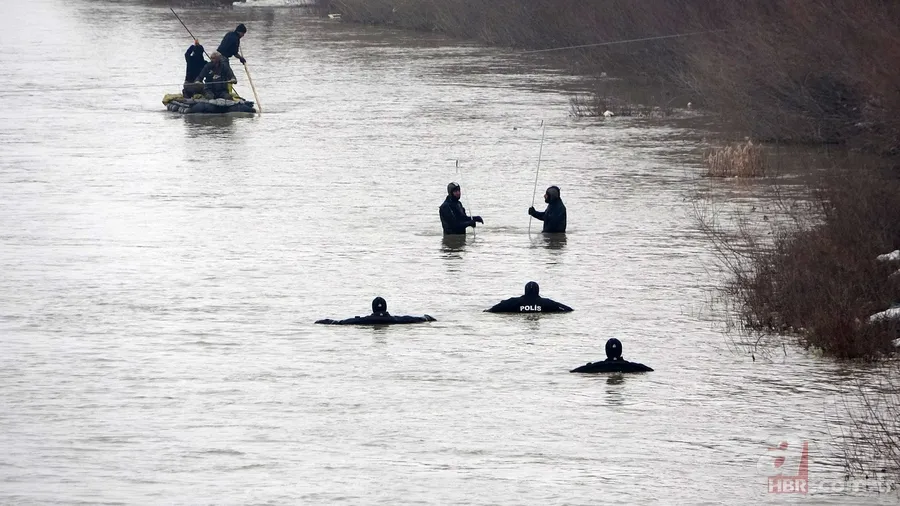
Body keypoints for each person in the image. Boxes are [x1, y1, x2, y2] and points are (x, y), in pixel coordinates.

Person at [315, 297, 437, 325]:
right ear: (385, 308)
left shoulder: (363, 321)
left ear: (373, 308)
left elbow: (340, 323)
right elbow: (414, 319)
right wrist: (426, 318)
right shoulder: (396, 320)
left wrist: (324, 321)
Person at [570, 338, 654, 373]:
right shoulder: (638, 367)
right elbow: (650, 371)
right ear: (620, 350)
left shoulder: (592, 367)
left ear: (606, 351)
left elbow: (574, 372)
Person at [484, 281, 573, 313]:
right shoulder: (547, 303)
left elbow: (496, 308)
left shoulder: (513, 302)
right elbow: (567, 309)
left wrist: (488, 310)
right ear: (538, 290)